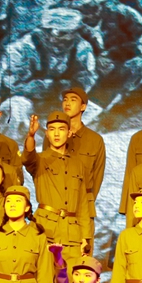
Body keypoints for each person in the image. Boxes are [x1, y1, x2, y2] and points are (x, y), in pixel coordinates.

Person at [22, 112, 91, 268]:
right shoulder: (40, 160)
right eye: (52, 129)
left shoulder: (78, 164)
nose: (57, 133)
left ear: (69, 133)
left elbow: (82, 203)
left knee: (70, 279)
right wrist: (31, 135)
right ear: (46, 133)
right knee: (44, 277)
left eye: (61, 129)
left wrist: (85, 237)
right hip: (45, 230)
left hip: (72, 234)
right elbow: (27, 157)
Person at [2, 7, 99, 110]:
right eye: (61, 33)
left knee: (90, 109)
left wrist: (74, 88)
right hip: (27, 100)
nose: (68, 38)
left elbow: (87, 76)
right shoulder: (22, 47)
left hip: (63, 100)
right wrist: (43, 86)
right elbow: (11, 80)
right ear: (45, 31)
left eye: (72, 33)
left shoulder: (82, 46)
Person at [57, 86, 107, 234]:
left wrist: (86, 200)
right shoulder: (55, 137)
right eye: (65, 99)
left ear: (83, 106)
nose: (67, 103)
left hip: (83, 206)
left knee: (83, 247)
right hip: (57, 206)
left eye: (73, 100)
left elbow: (97, 176)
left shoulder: (95, 140)